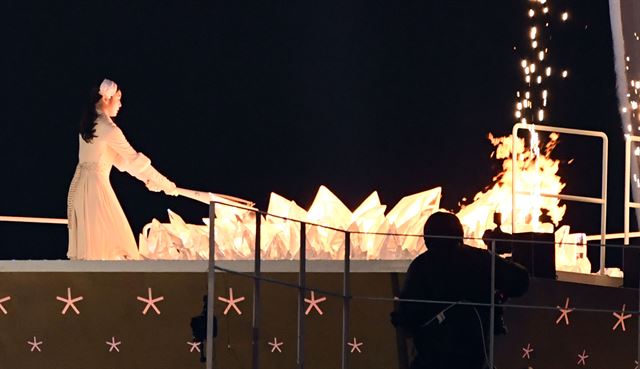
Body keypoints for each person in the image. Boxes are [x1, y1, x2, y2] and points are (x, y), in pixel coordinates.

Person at [391, 211, 529, 369]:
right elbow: (521, 280)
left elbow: (407, 314)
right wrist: (500, 295)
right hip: (474, 357)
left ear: (428, 237)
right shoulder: (482, 259)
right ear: (459, 233)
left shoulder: (421, 265)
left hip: (432, 359)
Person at [67, 78, 177, 260]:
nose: (120, 104)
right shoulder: (108, 129)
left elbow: (121, 162)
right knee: (119, 242)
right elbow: (133, 158)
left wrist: (148, 180)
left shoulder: (90, 124)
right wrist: (165, 183)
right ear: (106, 99)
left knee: (102, 248)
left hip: (85, 189)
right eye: (118, 98)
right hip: (95, 191)